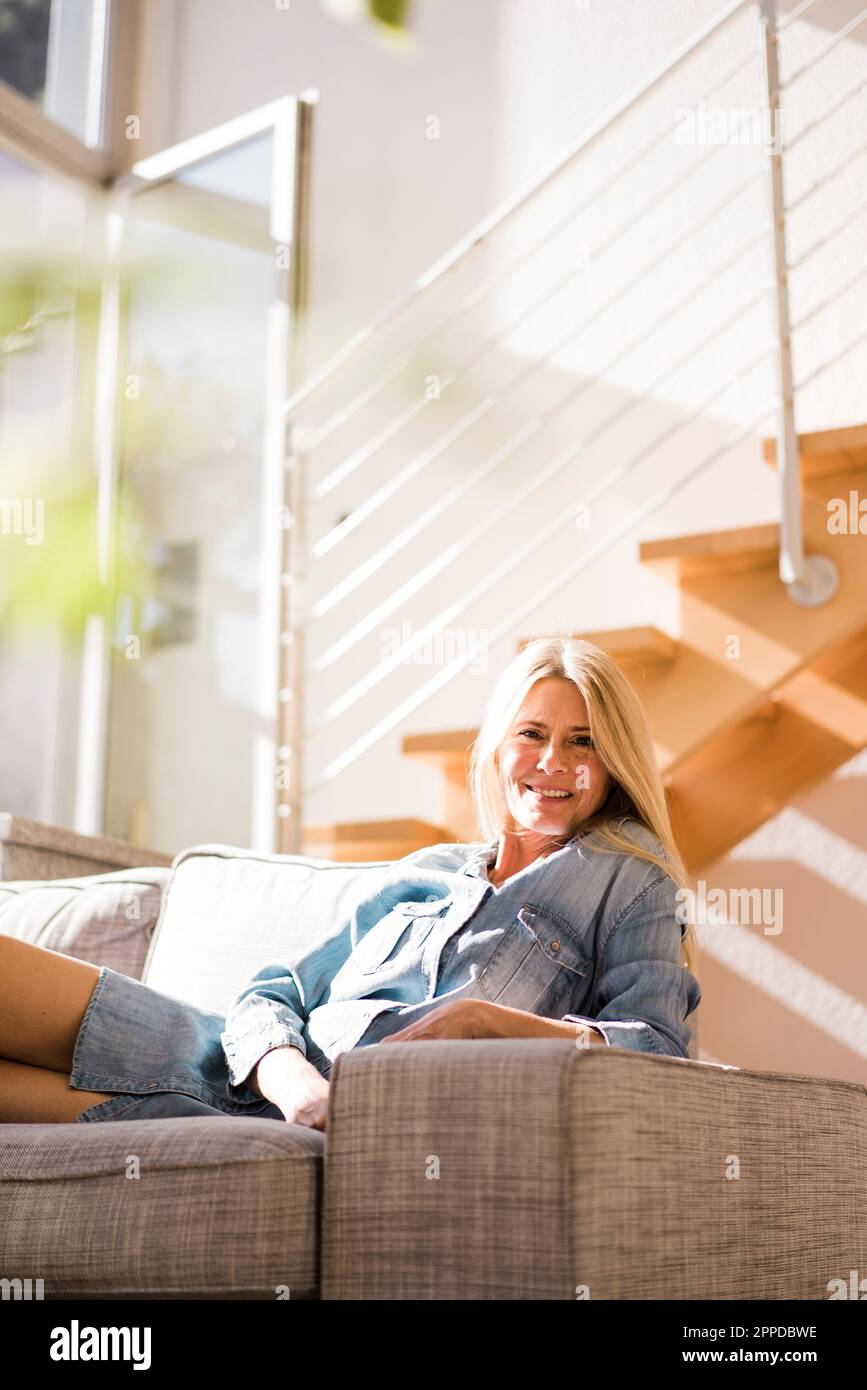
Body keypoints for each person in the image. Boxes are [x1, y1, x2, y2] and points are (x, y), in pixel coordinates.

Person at [0, 637, 700, 1133]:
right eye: (532, 733)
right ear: (495, 747)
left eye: (582, 741)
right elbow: (272, 995)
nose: (552, 760)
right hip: (243, 1071)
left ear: (611, 764)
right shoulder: (431, 871)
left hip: (327, 1113)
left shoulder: (628, 880)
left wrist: (484, 1021)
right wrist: (291, 1082)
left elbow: (658, 1052)